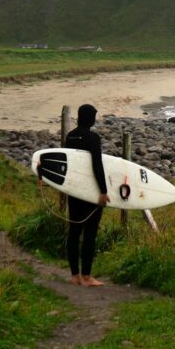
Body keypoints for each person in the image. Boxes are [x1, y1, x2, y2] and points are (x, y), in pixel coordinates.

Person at [63, 103, 110, 286]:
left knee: (74, 232)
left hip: (74, 191)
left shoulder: (70, 136)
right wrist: (103, 191)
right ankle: (87, 276)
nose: (94, 119)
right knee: (90, 233)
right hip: (90, 192)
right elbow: (97, 165)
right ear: (89, 118)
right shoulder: (93, 138)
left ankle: (74, 275)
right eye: (94, 116)